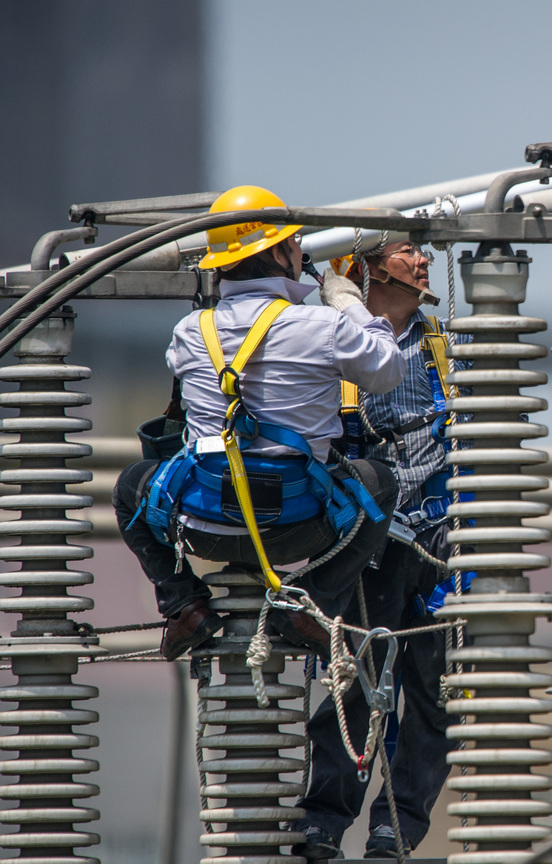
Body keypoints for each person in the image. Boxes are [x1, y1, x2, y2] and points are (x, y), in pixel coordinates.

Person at [113, 185, 403, 660]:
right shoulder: (321, 326)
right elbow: (387, 369)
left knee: (130, 487)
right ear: (280, 251)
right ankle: (310, 604)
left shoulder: (189, 333)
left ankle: (185, 606)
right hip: (298, 526)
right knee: (381, 484)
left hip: (203, 524)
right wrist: (350, 305)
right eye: (294, 243)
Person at [293, 240, 464, 860]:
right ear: (364, 264)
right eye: (406, 251)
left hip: (436, 539)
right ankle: (322, 826)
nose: (423, 262)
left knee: (432, 690)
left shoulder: (445, 344)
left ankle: (396, 830)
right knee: (354, 684)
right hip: (366, 539)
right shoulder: (330, 339)